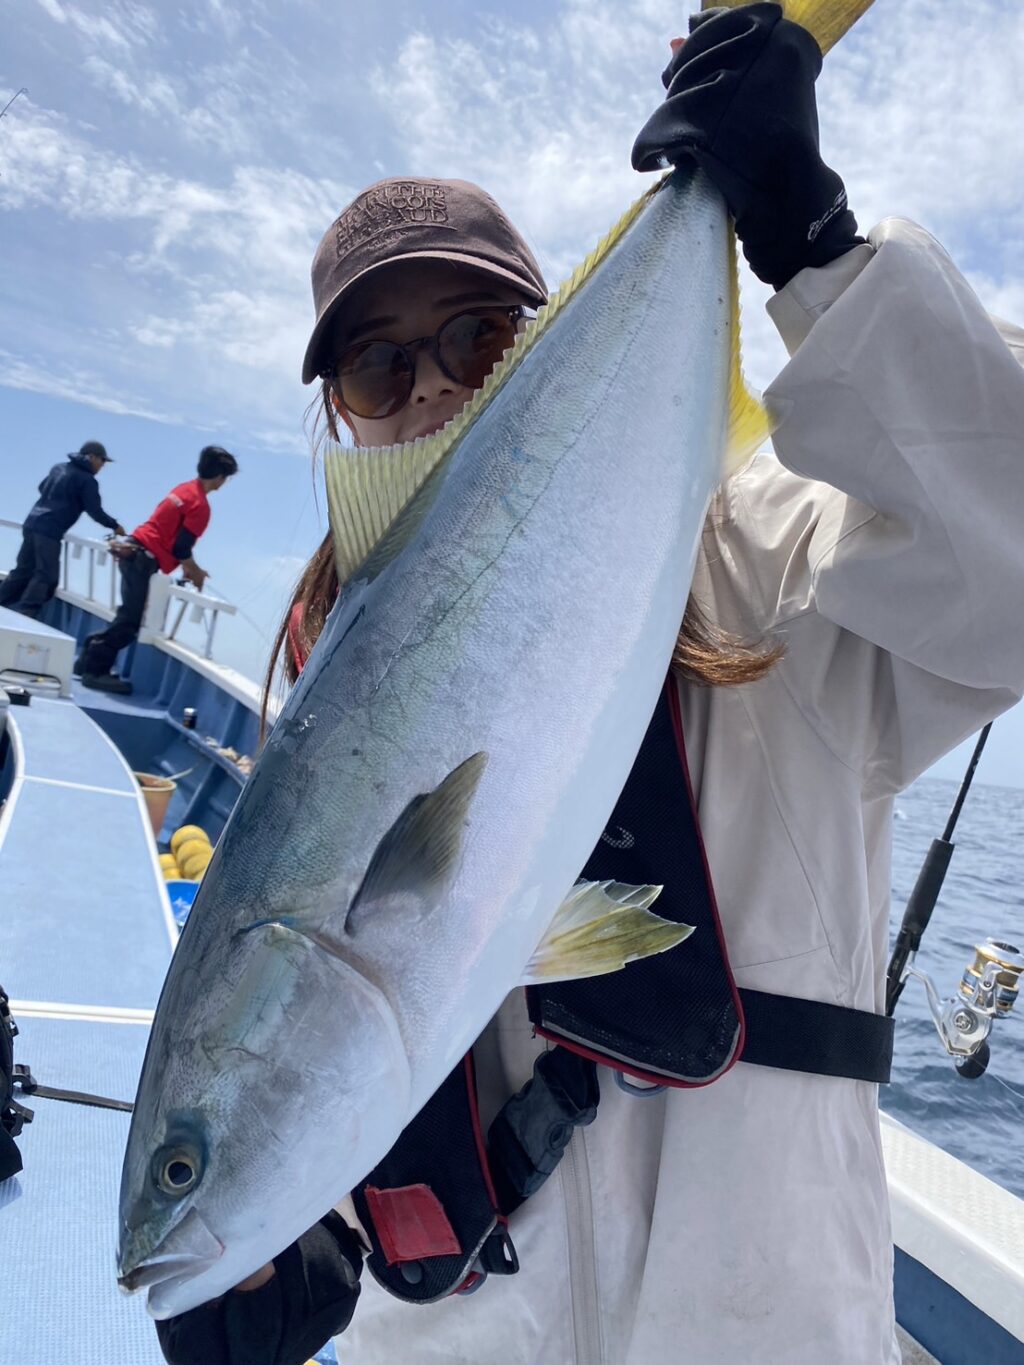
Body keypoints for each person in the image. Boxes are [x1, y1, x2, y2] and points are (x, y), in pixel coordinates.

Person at [157, 7, 1024, 1365]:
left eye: (479, 336)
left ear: (541, 342)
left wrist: (816, 249)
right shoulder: (329, 702)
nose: (431, 385)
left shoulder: (767, 569)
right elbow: (344, 1044)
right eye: (380, 364)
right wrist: (290, 1242)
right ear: (342, 416)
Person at [76, 445, 238, 695]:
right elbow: (182, 548)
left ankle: (86, 659)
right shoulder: (200, 505)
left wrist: (189, 566)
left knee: (127, 614)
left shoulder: (183, 489)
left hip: (134, 549)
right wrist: (196, 572)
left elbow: (170, 536)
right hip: (144, 559)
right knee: (131, 622)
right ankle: (95, 671)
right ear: (220, 477)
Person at [0, 440, 124, 619]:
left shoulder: (58, 468)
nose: (103, 465)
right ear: (91, 457)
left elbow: (42, 487)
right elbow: (94, 510)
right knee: (47, 575)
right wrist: (114, 526)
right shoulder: (88, 481)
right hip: (49, 530)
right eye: (102, 460)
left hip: (32, 523)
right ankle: (25, 615)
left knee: (23, 570)